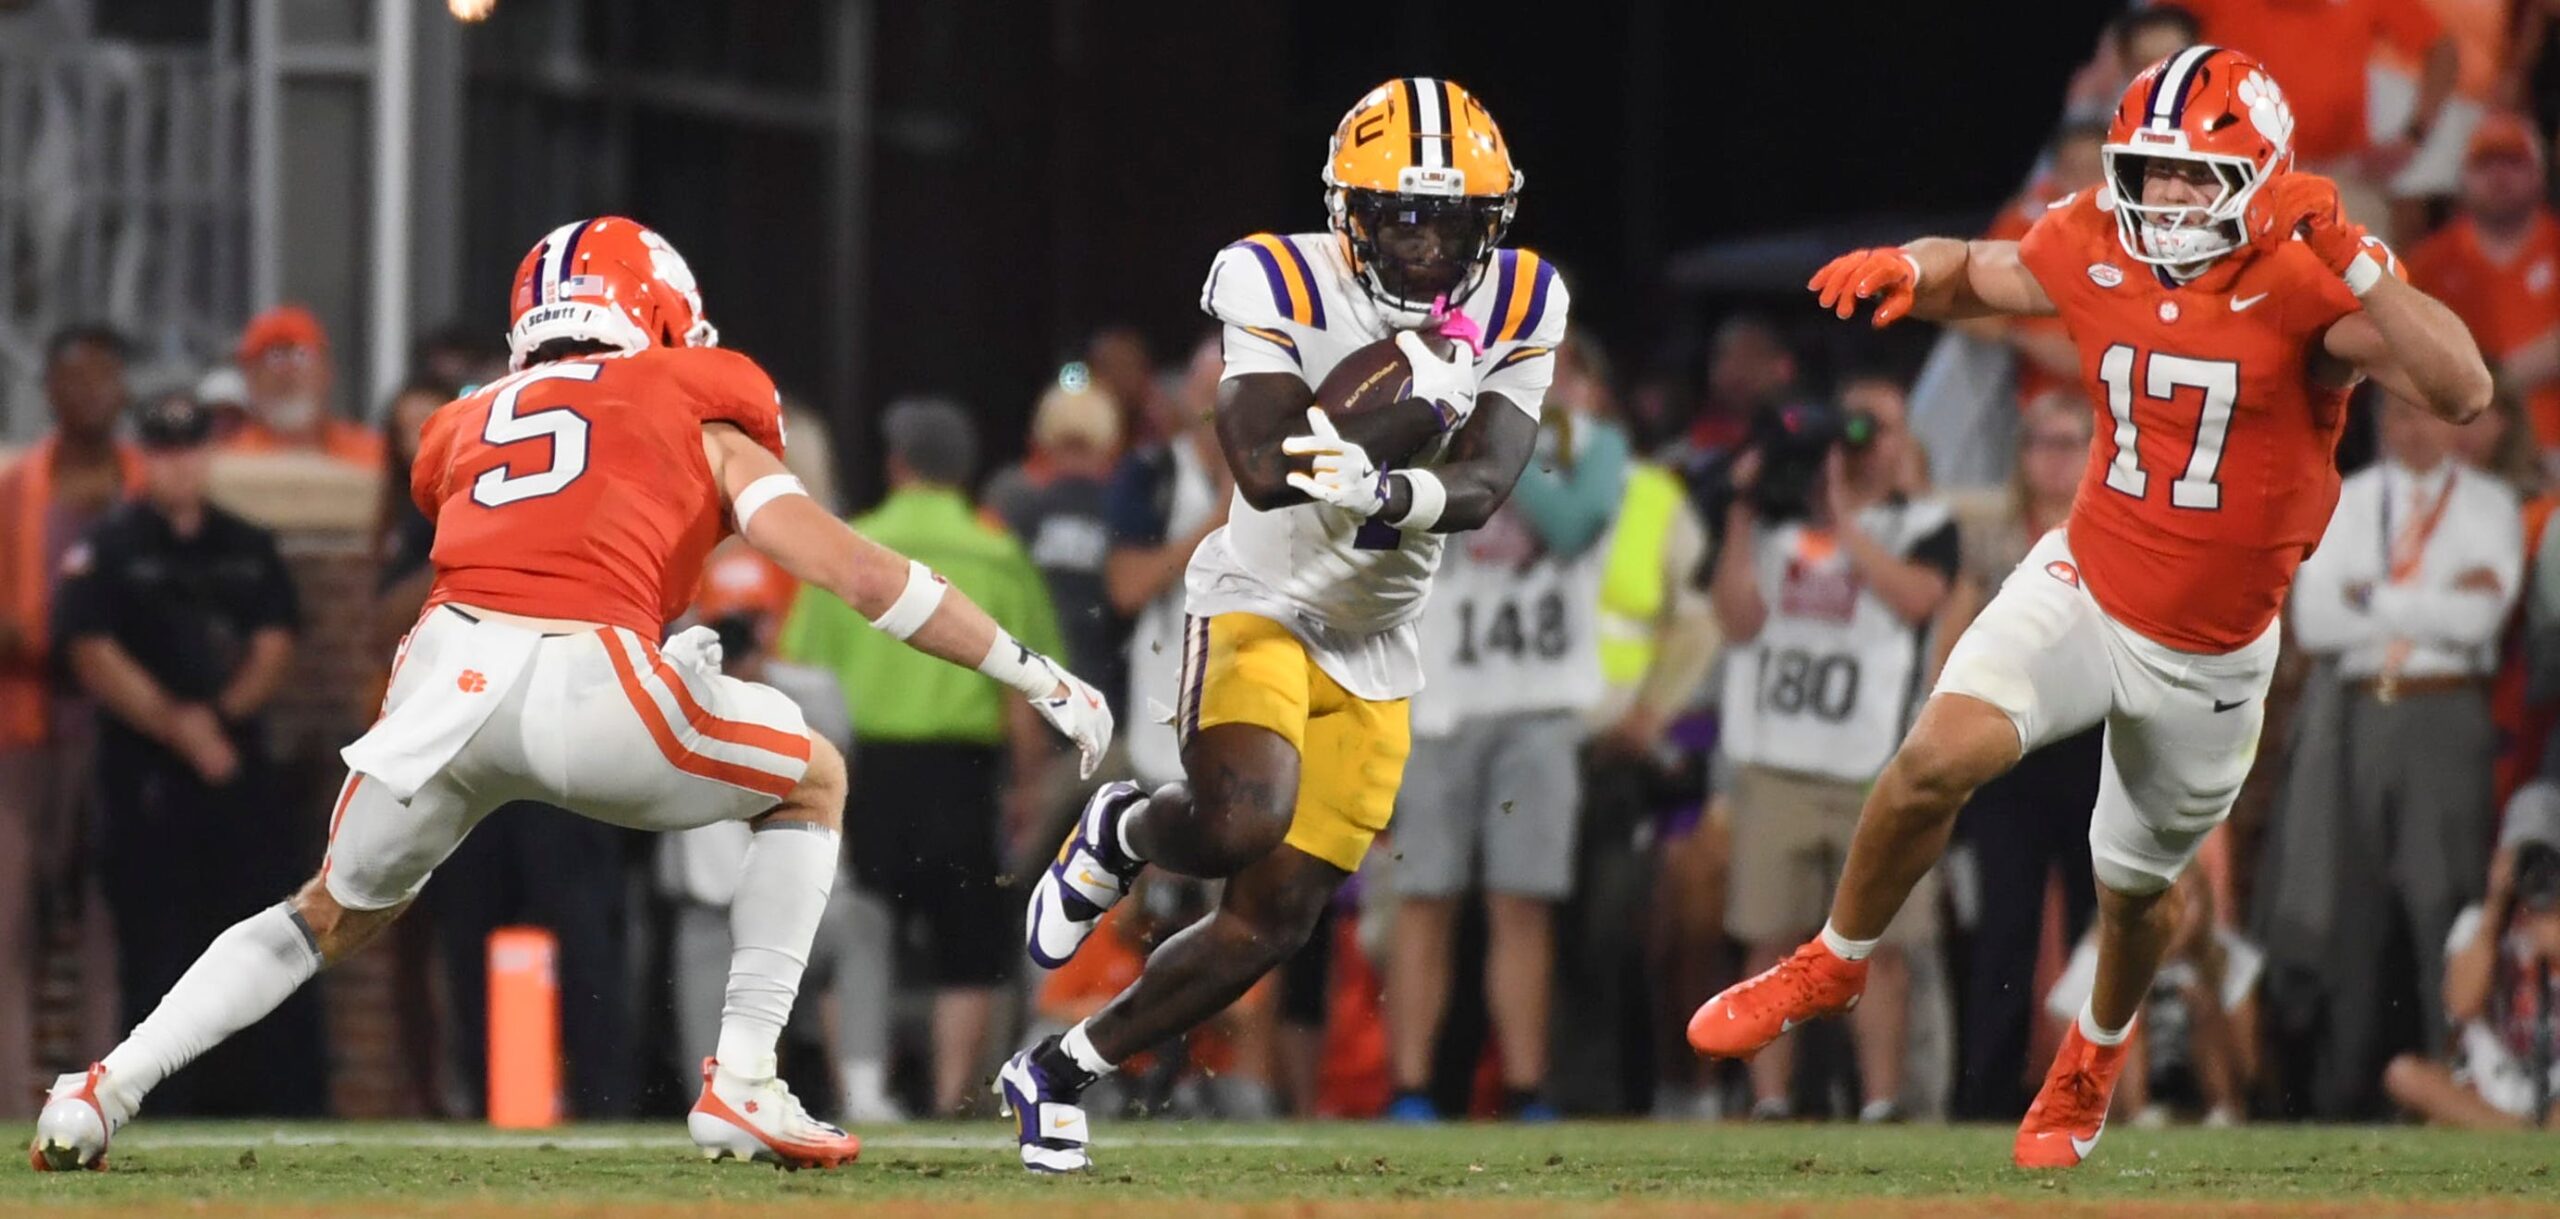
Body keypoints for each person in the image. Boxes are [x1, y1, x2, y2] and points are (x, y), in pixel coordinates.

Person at [29, 217, 1111, 1172]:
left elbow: (544, 531)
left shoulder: (465, 419)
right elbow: (857, 572)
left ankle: (101, 1090)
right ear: (658, 309)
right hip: (586, 680)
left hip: (443, 676)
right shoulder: (697, 397)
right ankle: (743, 1076)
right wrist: (1034, 671)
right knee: (812, 779)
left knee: (322, 912)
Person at [1688, 47, 2493, 1168]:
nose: (2161, 199)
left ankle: (2097, 1047)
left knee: (2133, 890)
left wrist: (2356, 256)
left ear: (2259, 178)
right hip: (2086, 576)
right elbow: (1986, 268)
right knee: (1931, 758)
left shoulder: (2313, 279)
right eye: (2148, 170)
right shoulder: (2097, 236)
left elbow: (2461, 389)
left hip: (2211, 652)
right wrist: (1907, 269)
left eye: (2190, 175)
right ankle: (1834, 953)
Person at [998, 77, 1567, 1172]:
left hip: (1378, 637)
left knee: (1274, 919)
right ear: (1348, 211)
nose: (1424, 245)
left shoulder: (1524, 296)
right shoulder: (1271, 271)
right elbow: (1264, 468)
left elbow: (1490, 478)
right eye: (1399, 215)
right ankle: (1124, 827)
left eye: (1449, 219)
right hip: (1258, 601)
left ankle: (1057, 1069)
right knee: (1239, 824)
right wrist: (1411, 410)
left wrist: (1389, 486)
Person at [777, 397, 1070, 1118]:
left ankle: (859, 1090)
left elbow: (798, 674)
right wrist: (1026, 785)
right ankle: (946, 1101)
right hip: (963, 772)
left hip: (865, 767)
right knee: (968, 944)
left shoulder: (851, 547)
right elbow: (1027, 690)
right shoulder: (997, 553)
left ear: (897, 463)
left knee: (861, 928)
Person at [51, 394, 321, 1117]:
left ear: (208, 454)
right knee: (155, 946)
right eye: (164, 451)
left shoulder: (246, 544)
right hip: (146, 776)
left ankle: (276, 1102)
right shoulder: (110, 545)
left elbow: (275, 642)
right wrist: (182, 727)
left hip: (237, 772)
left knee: (261, 931)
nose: (178, 465)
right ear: (145, 456)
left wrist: (221, 718)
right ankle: (160, 1106)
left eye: (190, 449)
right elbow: (91, 650)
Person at [1384, 332, 1630, 1123]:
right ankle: (1412, 1090)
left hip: (1541, 704)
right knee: (1424, 900)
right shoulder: (1435, 435)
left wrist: (1503, 443)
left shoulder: (1599, 449)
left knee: (1522, 902)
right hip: (1442, 699)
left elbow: (1572, 525)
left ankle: (1527, 1088)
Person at [1710, 374, 1957, 1123]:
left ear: (1905, 442)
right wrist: (1742, 509)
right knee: (1770, 938)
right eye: (1847, 426)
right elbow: (1737, 618)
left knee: (1875, 948)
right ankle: (1770, 1100)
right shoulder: (1773, 520)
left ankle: (1880, 1100)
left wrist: (1845, 520)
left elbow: (1920, 599)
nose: (1857, 442)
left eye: (1876, 427)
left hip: (1870, 767)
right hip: (1778, 759)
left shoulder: (1924, 522)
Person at [2285, 392, 2521, 1112]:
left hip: (2444, 717)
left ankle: (2451, 1091)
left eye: (2420, 414)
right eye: (2393, 415)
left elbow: (2485, 613)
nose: (2403, 428)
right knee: (2349, 911)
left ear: (2453, 422)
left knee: (2440, 907)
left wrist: (2373, 595)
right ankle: (2345, 1097)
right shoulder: (2347, 500)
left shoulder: (2490, 505)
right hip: (2354, 720)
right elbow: (2316, 619)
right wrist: (2430, 601)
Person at [1942, 391, 2106, 1119]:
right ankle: (1986, 1093)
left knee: (2096, 932)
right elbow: (1954, 641)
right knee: (2004, 924)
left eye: (2069, 442)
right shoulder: (1992, 537)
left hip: (2095, 743)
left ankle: (2089, 1089)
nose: (2054, 457)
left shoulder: (2120, 535)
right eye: (2040, 442)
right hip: (2010, 748)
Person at [0, 325, 139, 1096]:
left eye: (105, 378)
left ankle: (104, 1093)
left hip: (123, 730)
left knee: (108, 925)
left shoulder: (144, 483)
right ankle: (9, 1098)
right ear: (49, 390)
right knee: (9, 921)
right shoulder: (17, 488)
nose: (91, 393)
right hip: (23, 727)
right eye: (75, 379)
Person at [2383, 781, 2560, 1128]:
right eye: (2526, 858)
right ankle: (2518, 1134)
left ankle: (2504, 1130)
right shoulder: (2478, 924)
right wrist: (2496, 906)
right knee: (2404, 1074)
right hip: (2494, 1088)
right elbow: (2462, 1003)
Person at [2407, 113, 2560, 457]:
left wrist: (2493, 378)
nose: (2499, 177)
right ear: (2463, 176)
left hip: (2552, 448)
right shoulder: (2429, 262)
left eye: (2514, 163)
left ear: (2540, 173)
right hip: (2460, 450)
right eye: (2485, 164)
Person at [983, 376, 1129, 714]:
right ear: (1113, 443)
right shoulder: (1126, 515)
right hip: (1105, 698)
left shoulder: (1011, 506)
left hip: (1028, 690)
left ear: (1040, 439)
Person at [220, 304, 385, 468]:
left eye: (301, 357)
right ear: (250, 380)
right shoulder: (229, 462)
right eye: (272, 360)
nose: (287, 372)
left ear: (327, 370)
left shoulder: (375, 457)